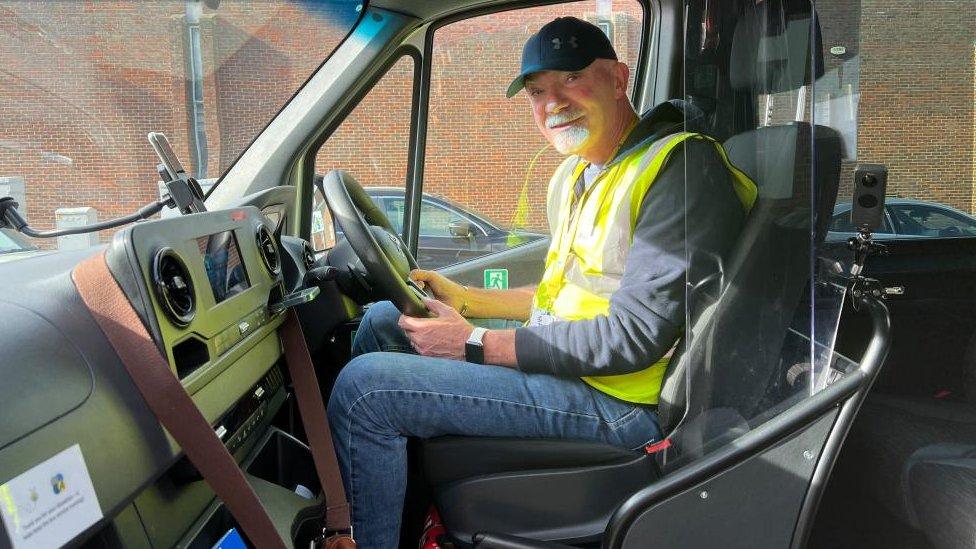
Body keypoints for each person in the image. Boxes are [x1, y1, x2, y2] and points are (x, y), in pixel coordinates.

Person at [327, 17, 757, 547]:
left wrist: (476, 344)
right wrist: (466, 300)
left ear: (619, 79)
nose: (553, 102)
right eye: (536, 91)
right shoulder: (581, 173)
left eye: (571, 79)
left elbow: (634, 335)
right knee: (383, 321)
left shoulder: (679, 169)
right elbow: (556, 298)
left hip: (621, 403)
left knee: (365, 390)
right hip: (577, 369)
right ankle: (402, 511)